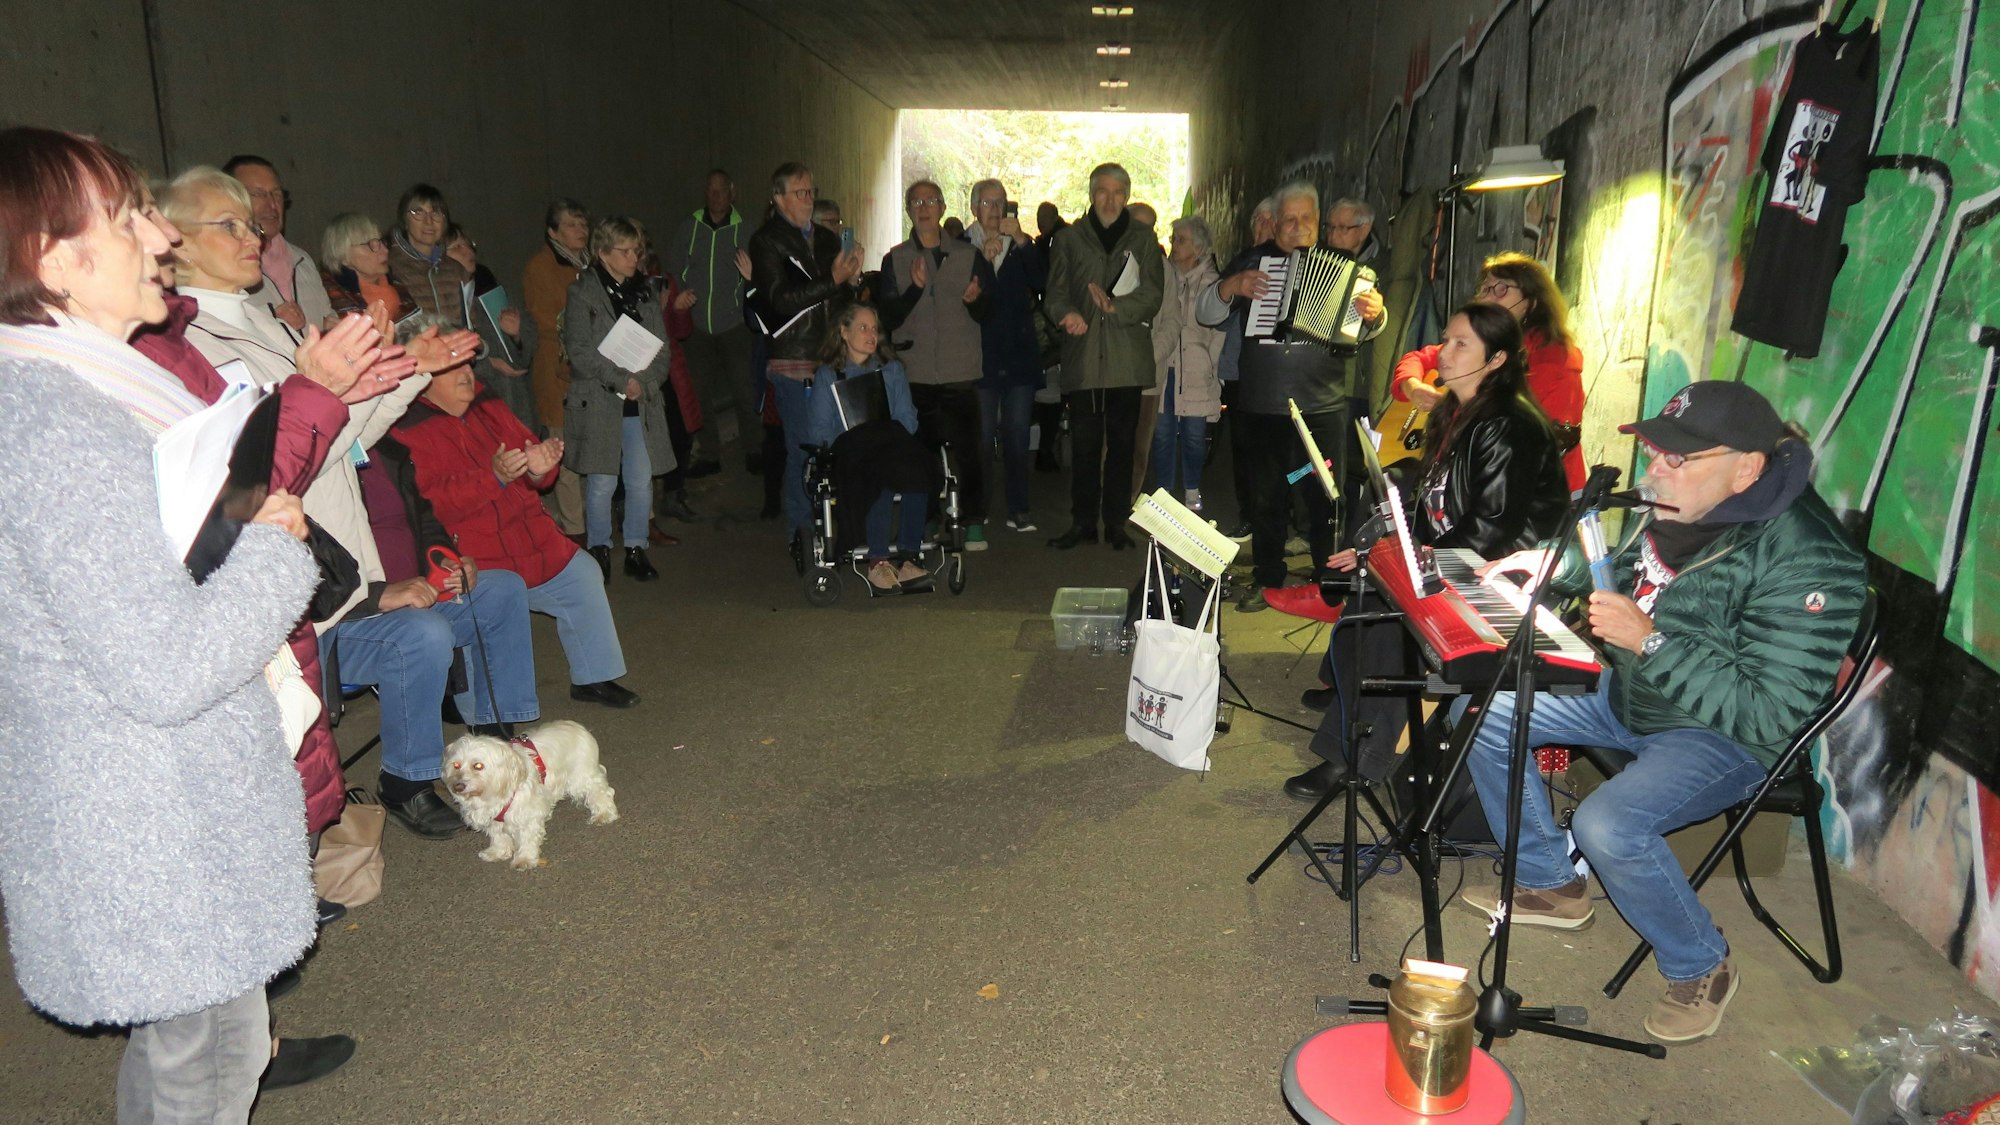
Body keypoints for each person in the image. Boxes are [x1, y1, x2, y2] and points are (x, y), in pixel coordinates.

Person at [0, 124, 354, 1116]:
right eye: (129, 219)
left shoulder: (83, 389)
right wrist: (274, 545)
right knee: (204, 1068)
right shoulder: (58, 423)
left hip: (156, 809)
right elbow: (164, 666)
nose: (161, 237)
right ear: (53, 259)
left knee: (190, 1059)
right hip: (153, 823)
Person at [1462, 380, 1866, 1044]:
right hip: (1636, 691)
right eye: (1655, 452)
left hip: (1722, 736)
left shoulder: (1810, 558)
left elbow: (1768, 713)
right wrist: (1554, 565)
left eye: (1679, 458)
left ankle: (1701, 962)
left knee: (1606, 824)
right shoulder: (1686, 504)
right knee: (1483, 710)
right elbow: (1621, 571)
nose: (1656, 470)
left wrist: (1649, 642)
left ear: (1747, 467)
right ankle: (1552, 882)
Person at [1283, 303, 1569, 802]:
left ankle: (1355, 759)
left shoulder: (1507, 424)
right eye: (1446, 339)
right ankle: (1348, 702)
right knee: (1367, 589)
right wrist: (1381, 546)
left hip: (1505, 573)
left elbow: (1491, 531)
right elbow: (1433, 502)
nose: (1444, 353)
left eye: (1462, 344)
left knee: (1394, 621)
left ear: (1497, 359)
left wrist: (1410, 563)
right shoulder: (1457, 410)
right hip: (1462, 555)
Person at [385, 362, 644, 708]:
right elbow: (428, 506)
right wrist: (492, 477)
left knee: (582, 573)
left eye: (468, 364)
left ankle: (594, 677)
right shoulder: (405, 424)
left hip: (531, 536)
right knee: (489, 624)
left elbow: (530, 458)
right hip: (475, 555)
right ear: (425, 377)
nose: (466, 374)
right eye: (452, 367)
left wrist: (539, 469)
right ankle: (478, 709)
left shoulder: (485, 401)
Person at [1197, 181, 1385, 611]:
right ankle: (1268, 579)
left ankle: (1328, 582)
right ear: (1275, 222)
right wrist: (1230, 287)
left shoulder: (1347, 268)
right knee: (1266, 495)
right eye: (1289, 219)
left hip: (1322, 403)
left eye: (1307, 219)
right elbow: (1205, 312)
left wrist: (1376, 315)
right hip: (1262, 404)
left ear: (1318, 222)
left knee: (1324, 493)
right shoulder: (1250, 261)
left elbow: (1368, 327)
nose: (1298, 226)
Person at [1042, 162, 1164, 551]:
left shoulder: (1144, 239)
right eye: (1102, 192)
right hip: (1084, 358)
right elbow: (1054, 292)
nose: (1110, 200)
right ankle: (1082, 522)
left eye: (1117, 193)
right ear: (1092, 195)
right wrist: (1066, 314)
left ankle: (1115, 523)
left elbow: (1153, 294)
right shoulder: (1069, 238)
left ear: (1126, 197)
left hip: (1127, 359)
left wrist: (1116, 308)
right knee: (1084, 446)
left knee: (1122, 447)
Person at [1391, 251, 1587, 491]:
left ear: (1531, 302)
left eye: (1501, 289)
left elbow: (1525, 440)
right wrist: (1413, 387)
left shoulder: (1556, 359)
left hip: (1536, 492)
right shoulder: (1486, 342)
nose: (1487, 298)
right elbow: (1418, 358)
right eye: (1485, 289)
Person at [747, 161, 865, 542]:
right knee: (803, 447)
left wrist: (851, 281)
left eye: (811, 191)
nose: (808, 199)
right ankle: (801, 532)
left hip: (831, 356)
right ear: (778, 198)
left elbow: (839, 298)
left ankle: (836, 525)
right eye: (800, 193)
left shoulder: (828, 239)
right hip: (793, 359)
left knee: (839, 445)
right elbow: (781, 300)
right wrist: (833, 279)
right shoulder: (766, 241)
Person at [563, 216, 677, 582]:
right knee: (603, 481)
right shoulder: (582, 292)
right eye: (624, 251)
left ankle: (636, 548)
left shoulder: (645, 292)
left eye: (636, 251)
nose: (633, 258)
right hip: (601, 399)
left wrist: (642, 383)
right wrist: (620, 379)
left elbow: (662, 349)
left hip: (638, 401)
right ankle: (599, 549)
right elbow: (579, 350)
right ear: (602, 253)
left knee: (640, 478)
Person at [880, 179, 990, 549]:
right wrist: (914, 288)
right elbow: (888, 317)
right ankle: (923, 520)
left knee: (970, 452)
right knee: (920, 455)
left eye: (931, 201)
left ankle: (973, 521)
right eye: (916, 202)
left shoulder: (969, 255)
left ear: (943, 208)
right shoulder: (895, 258)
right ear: (908, 211)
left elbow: (989, 311)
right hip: (916, 373)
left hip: (960, 371)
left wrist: (975, 300)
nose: (924, 207)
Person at [809, 304, 932, 592]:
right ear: (844, 332)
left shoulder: (892, 370)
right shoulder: (829, 375)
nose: (871, 334)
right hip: (852, 451)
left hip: (890, 443)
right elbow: (819, 431)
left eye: (874, 329)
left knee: (919, 465)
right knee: (879, 470)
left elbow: (907, 419)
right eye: (863, 328)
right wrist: (856, 437)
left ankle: (909, 556)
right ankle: (878, 561)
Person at [965, 178, 1047, 533]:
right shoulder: (962, 246)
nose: (994, 210)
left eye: (1000, 202)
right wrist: (983, 262)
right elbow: (962, 296)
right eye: (987, 203)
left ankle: (1019, 507)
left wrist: (1024, 241)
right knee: (981, 436)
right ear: (974, 208)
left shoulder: (1020, 245)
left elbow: (1042, 281)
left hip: (1018, 354)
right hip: (978, 356)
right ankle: (978, 507)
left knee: (1017, 433)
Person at [666, 170, 756, 477]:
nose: (716, 196)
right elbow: (675, 269)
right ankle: (709, 454)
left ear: (732, 193)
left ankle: (754, 449)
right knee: (699, 393)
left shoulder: (745, 230)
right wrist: (680, 295)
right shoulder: (689, 228)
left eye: (722, 190)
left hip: (734, 325)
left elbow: (758, 274)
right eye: (711, 190)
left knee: (744, 390)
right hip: (697, 327)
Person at [524, 197, 592, 537]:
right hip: (558, 370)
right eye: (571, 224)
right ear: (553, 232)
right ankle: (576, 531)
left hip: (590, 370)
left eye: (583, 224)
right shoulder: (541, 267)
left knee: (591, 449)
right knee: (564, 451)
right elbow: (548, 320)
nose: (581, 230)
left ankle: (593, 523)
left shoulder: (591, 264)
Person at [1215, 193, 1280, 541]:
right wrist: (1237, 293)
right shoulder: (1240, 264)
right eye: (1259, 220)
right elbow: (1216, 317)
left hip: (1278, 376)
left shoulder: (1292, 263)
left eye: (1271, 220)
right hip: (1239, 372)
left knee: (1279, 451)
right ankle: (1248, 515)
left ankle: (1279, 514)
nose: (1265, 226)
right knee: (1243, 447)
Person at [1149, 216, 1224, 510]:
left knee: (1194, 436)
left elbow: (1219, 333)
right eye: (1173, 239)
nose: (1174, 244)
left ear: (1198, 247)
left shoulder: (1213, 284)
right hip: (1164, 368)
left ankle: (1192, 490)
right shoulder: (1161, 278)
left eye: (1181, 240)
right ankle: (1164, 494)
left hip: (1196, 372)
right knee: (1162, 434)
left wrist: (1211, 367)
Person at [224, 154, 334, 334]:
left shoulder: (302, 260)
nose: (272, 205)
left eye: (277, 194)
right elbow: (217, 333)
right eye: (259, 194)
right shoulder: (225, 267)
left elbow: (325, 317)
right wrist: (271, 322)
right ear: (229, 200)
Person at [447, 221, 539, 432]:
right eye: (457, 247)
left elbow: (529, 343)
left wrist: (517, 335)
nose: (468, 251)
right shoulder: (443, 300)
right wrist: (487, 363)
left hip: (515, 403)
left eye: (468, 244)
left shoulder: (489, 285)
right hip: (477, 410)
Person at [388, 182, 472, 327]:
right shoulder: (391, 268)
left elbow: (472, 322)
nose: (429, 221)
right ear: (404, 220)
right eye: (419, 213)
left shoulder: (456, 269)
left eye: (436, 213)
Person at [320, 211, 419, 319]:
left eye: (381, 242)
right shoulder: (330, 294)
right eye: (370, 245)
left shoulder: (397, 282)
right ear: (343, 256)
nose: (385, 250)